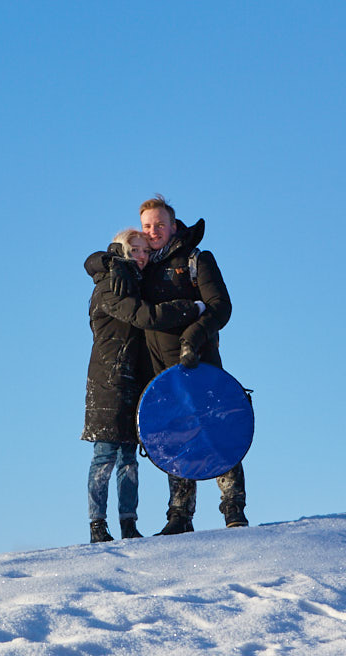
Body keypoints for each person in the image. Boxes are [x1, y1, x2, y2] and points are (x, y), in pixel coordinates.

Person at [83, 228, 204, 543]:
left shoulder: (133, 281)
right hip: (108, 382)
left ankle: (127, 524)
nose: (142, 256)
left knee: (129, 459)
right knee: (105, 455)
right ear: (121, 250)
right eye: (135, 250)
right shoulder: (111, 285)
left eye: (145, 252)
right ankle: (98, 525)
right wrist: (192, 308)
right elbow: (142, 316)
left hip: (135, 381)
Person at [137, 194, 247, 533]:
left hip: (201, 367)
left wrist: (193, 337)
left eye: (159, 225)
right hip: (163, 374)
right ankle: (179, 517)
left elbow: (221, 307)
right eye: (147, 226)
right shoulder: (140, 266)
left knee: (216, 432)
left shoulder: (198, 259)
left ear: (173, 226)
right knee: (175, 440)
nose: (153, 231)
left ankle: (233, 509)